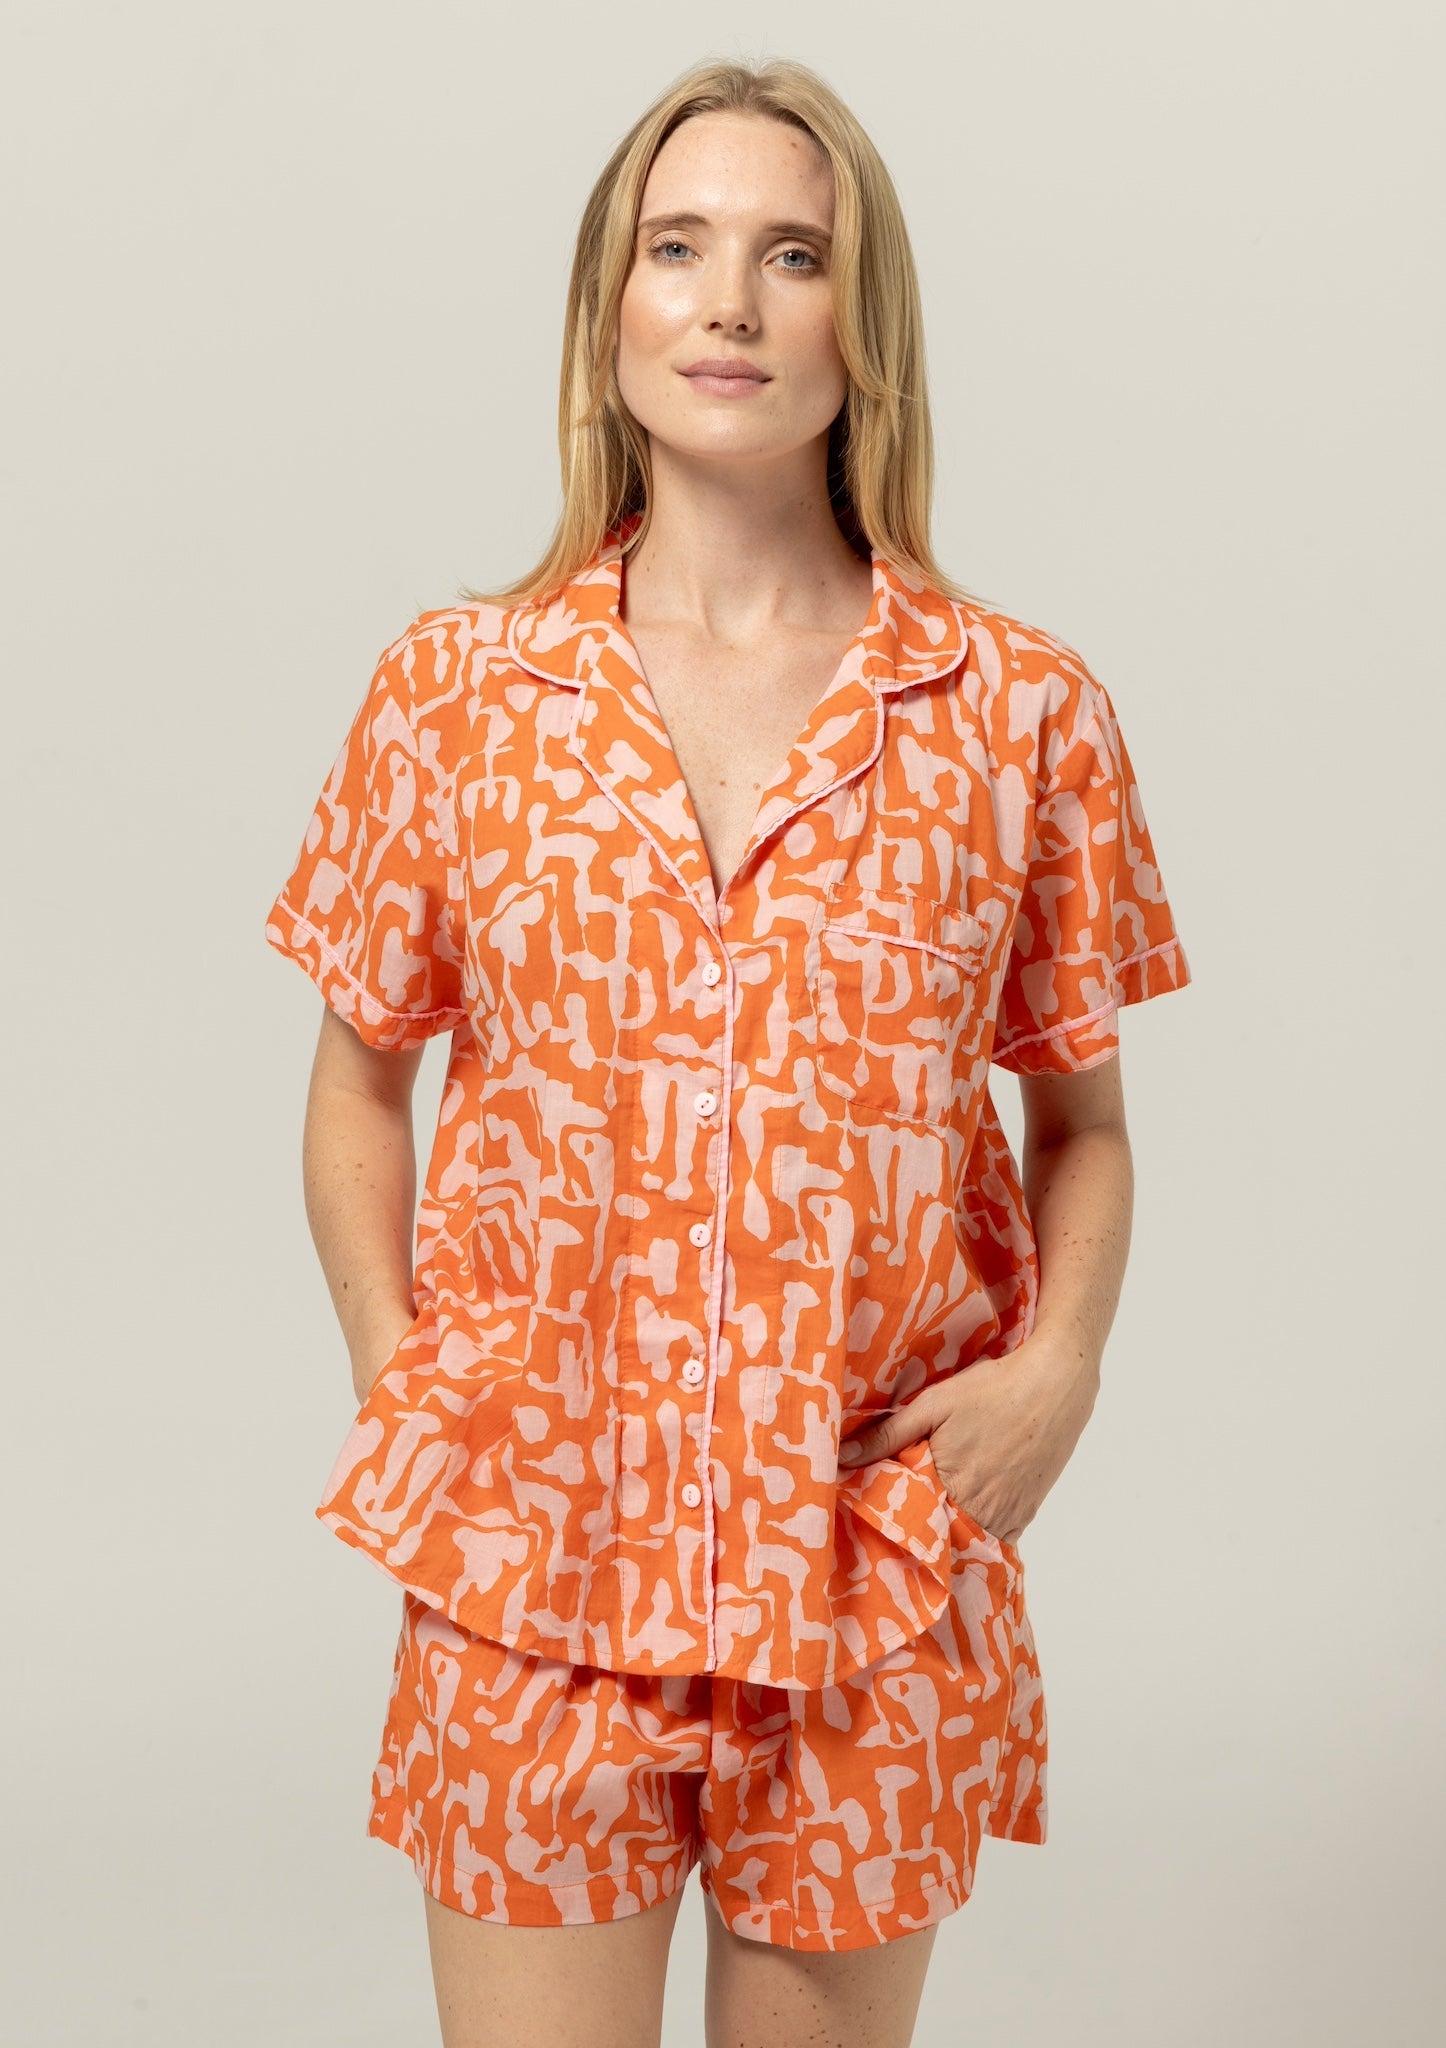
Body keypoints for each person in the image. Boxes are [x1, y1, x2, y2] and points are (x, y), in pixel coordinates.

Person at [264, 55, 1192, 2048]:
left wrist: (1059, 1373)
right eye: (677, 247)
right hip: (532, 1573)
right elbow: (357, 1082)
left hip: (869, 1573)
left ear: (866, 322)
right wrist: (402, 1374)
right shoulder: (459, 693)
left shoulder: (1017, 714)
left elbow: (1084, 1118)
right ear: (609, 307)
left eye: (792, 254)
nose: (730, 303)